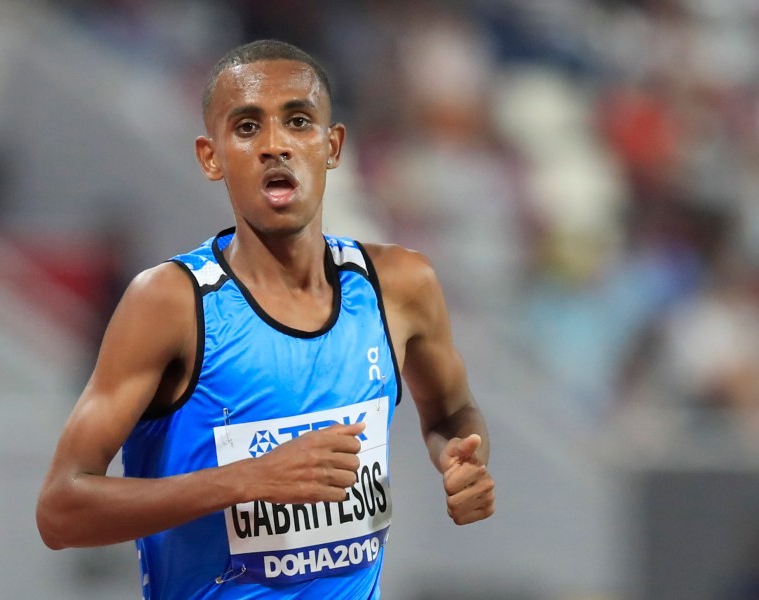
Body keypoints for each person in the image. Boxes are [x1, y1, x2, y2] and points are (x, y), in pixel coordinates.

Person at [36, 39, 495, 599]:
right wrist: (248, 480)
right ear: (211, 157)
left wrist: (461, 461)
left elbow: (452, 412)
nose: (275, 145)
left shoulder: (400, 285)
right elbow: (60, 510)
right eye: (248, 127)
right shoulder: (171, 303)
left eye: (298, 121)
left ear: (332, 145)